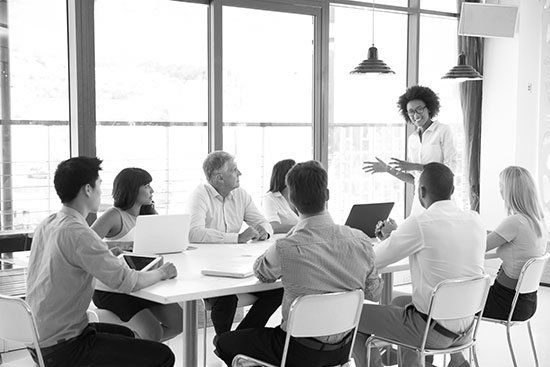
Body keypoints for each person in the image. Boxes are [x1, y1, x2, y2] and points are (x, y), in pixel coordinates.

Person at [214, 160, 383, 367]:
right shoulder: (361, 241)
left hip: (296, 352)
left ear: (292, 201)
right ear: (327, 195)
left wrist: (294, 232)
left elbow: (262, 273)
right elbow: (374, 293)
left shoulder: (286, 247)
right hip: (342, 350)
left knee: (223, 342)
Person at [26, 157, 177, 367]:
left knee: (128, 336)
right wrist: (163, 273)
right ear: (88, 189)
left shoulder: (49, 223)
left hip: (40, 338)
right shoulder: (79, 233)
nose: (100, 191)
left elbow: (66, 256)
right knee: (163, 356)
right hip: (66, 346)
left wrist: (105, 250)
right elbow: (128, 281)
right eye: (99, 185)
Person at [352, 162, 486, 367]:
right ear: (451, 190)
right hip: (467, 328)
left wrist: (389, 238)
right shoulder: (475, 220)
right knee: (400, 304)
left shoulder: (420, 223)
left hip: (432, 331)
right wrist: (397, 236)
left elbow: (372, 261)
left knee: (352, 316)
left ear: (421, 191)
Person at [448, 166, 548, 367]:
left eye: (501, 186)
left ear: (510, 190)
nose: (500, 191)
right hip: (526, 303)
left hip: (505, 302)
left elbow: (478, 247)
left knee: (450, 302)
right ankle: (456, 360)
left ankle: (456, 361)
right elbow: (503, 245)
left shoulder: (515, 222)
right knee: (460, 298)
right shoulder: (537, 222)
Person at [188, 151, 283, 339]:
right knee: (226, 297)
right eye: (234, 170)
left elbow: (263, 222)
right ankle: (225, 342)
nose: (240, 173)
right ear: (218, 177)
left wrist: (264, 231)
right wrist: (236, 238)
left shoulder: (241, 195)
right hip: (209, 270)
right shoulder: (200, 194)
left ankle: (237, 339)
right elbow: (193, 232)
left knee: (278, 289)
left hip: (237, 266)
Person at [91, 167, 182, 342]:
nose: (152, 191)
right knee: (153, 333)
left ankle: (137, 349)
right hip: (113, 289)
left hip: (143, 284)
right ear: (132, 189)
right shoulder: (114, 215)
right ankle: (138, 351)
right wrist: (122, 246)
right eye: (147, 186)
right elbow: (86, 244)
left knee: (180, 322)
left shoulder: (149, 216)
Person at [363, 86, 457, 213]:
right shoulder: (412, 138)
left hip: (441, 201)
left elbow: (449, 169)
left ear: (429, 108)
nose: (415, 115)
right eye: (411, 111)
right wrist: (387, 169)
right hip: (420, 201)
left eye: (419, 109)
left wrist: (415, 166)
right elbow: (413, 179)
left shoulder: (443, 130)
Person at [262, 159, 299, 233]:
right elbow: (273, 227)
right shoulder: (270, 198)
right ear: (285, 176)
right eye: (296, 173)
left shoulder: (299, 197)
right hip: (283, 242)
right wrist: (302, 228)